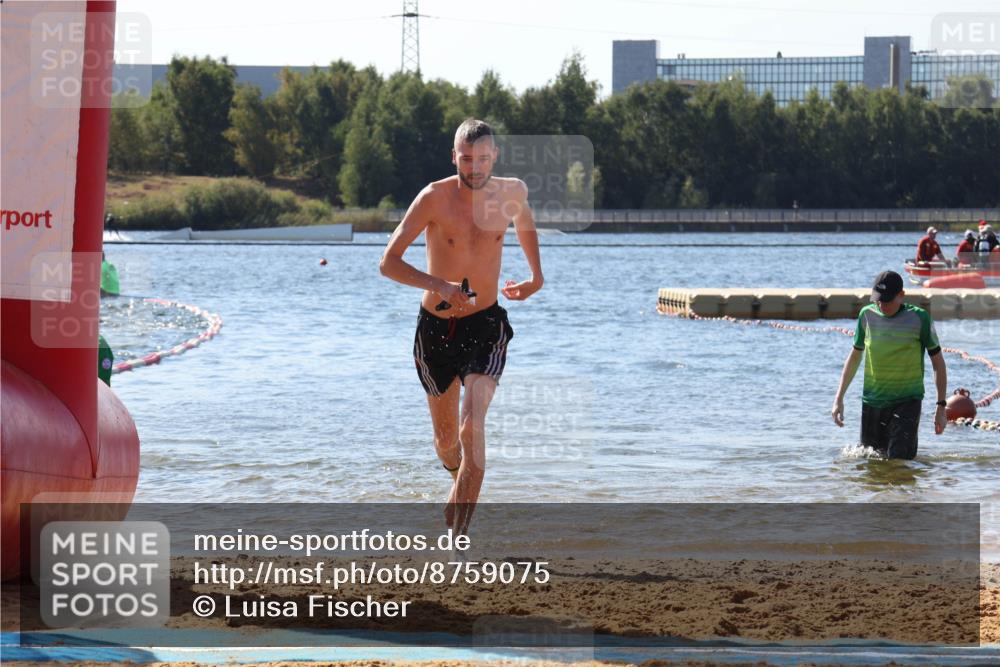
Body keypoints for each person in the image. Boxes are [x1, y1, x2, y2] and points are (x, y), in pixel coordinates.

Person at [380, 118, 543, 535]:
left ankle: (458, 541)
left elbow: (524, 224)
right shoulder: (433, 198)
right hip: (434, 330)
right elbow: (388, 262)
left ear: (495, 157)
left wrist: (535, 276)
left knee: (473, 425)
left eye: (483, 159)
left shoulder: (512, 192)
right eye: (467, 159)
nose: (475, 168)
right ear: (454, 156)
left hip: (486, 325)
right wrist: (439, 285)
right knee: (447, 442)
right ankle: (459, 482)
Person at [831, 270, 947, 459]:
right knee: (872, 462)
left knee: (899, 463)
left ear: (901, 295)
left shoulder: (919, 318)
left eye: (887, 300)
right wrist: (839, 398)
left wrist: (941, 406)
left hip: (907, 401)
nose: (881, 305)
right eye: (878, 300)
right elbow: (854, 357)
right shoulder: (866, 315)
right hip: (872, 402)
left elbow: (938, 363)